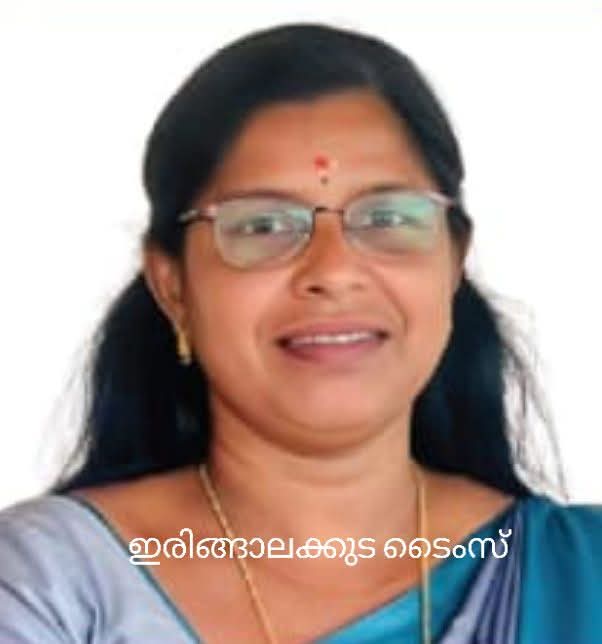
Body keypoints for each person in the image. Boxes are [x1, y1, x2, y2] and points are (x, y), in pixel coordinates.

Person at [0, 22, 600, 644]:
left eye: (387, 216)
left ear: (454, 264)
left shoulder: (582, 578)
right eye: (263, 226)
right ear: (172, 286)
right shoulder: (50, 585)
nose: (334, 271)